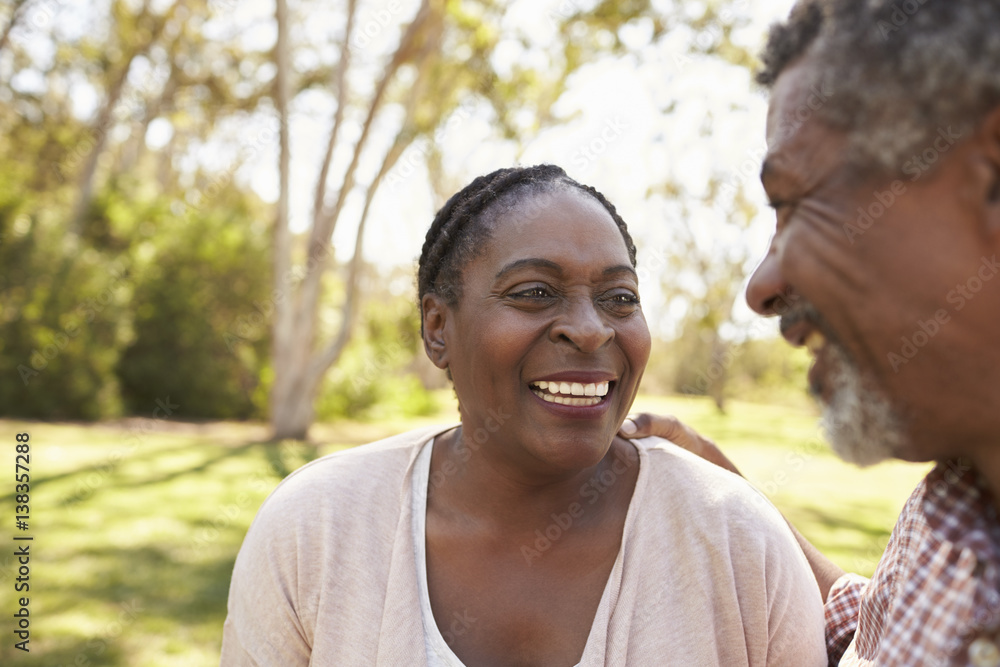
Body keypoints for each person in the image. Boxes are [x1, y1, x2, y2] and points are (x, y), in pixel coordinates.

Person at [220, 164, 827, 666]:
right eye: (535, 291)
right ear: (438, 330)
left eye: (620, 298)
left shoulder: (736, 542)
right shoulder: (315, 530)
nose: (591, 331)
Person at [622, 1, 1000, 665]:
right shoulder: (952, 505)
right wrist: (728, 495)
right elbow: (870, 633)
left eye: (792, 202)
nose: (761, 288)